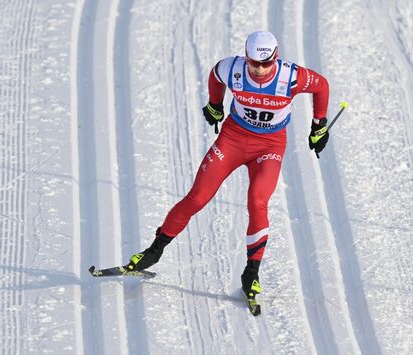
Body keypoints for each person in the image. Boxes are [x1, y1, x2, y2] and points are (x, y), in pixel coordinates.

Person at [127, 30, 330, 300]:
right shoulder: (232, 67)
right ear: (245, 56)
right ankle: (153, 251)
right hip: (233, 140)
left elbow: (322, 86)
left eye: (265, 63)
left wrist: (319, 125)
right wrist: (214, 105)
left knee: (257, 201)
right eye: (253, 63)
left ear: (275, 57)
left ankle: (251, 273)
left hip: (269, 147)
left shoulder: (290, 76)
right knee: (197, 197)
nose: (259, 69)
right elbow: (215, 75)